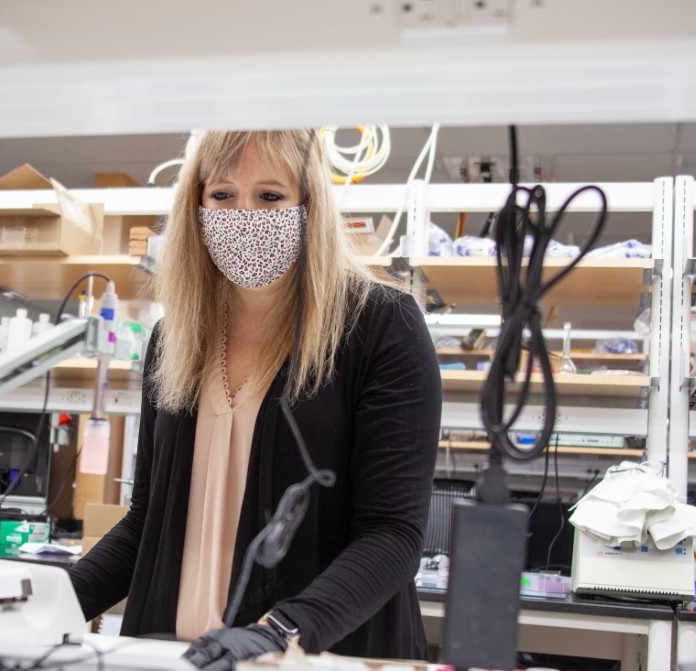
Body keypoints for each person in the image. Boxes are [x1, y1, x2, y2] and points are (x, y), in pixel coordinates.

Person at [67, 129, 441, 669]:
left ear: (308, 205)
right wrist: (49, 602)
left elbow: (393, 535)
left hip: (312, 657)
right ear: (196, 207)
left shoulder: (381, 327)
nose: (244, 215)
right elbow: (147, 521)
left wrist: (279, 632)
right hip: (176, 655)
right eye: (222, 196)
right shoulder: (176, 339)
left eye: (269, 196)